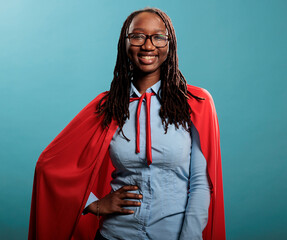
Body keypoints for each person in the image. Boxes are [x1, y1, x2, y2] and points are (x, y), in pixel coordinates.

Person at [28, 7, 225, 240]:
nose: (148, 46)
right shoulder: (107, 106)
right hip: (115, 235)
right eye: (137, 36)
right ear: (125, 42)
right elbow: (48, 166)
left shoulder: (195, 104)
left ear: (170, 44)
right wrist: (96, 205)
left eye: (158, 37)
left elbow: (202, 183)